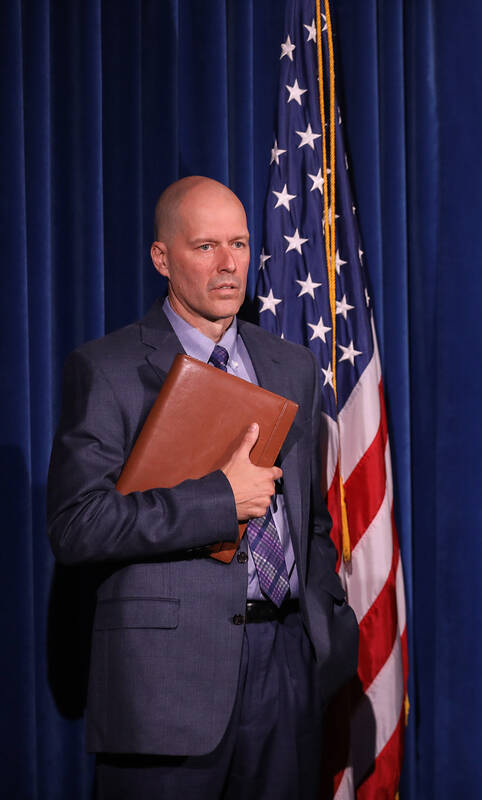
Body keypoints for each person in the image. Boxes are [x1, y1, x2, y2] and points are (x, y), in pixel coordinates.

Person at [46, 176, 359, 799]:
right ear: (163, 258)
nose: (228, 265)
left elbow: (311, 521)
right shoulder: (107, 369)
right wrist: (220, 500)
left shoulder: (291, 367)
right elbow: (76, 525)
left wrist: (322, 632)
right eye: (205, 247)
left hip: (286, 677)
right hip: (165, 689)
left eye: (240, 245)